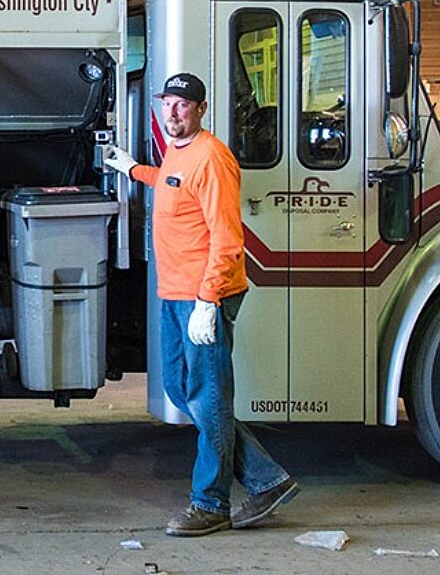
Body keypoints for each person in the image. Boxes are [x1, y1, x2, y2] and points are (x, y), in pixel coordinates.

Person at [104, 72, 297, 537]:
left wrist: (208, 301)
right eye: (167, 103)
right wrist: (132, 169)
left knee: (209, 399)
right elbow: (173, 185)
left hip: (202, 296)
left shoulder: (212, 157)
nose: (173, 113)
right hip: (175, 292)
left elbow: (229, 238)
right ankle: (267, 479)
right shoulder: (179, 151)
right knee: (180, 388)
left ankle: (211, 502)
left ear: (201, 109)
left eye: (183, 105)